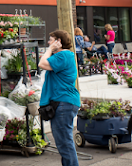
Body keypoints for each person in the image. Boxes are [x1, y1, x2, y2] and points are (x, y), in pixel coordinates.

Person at [39, 30, 81, 166]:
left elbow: (42, 63)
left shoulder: (63, 55)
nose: (48, 42)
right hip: (64, 102)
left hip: (63, 102)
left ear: (59, 42)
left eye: (51, 40)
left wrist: (50, 49)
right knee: (64, 141)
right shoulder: (65, 56)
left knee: (64, 142)